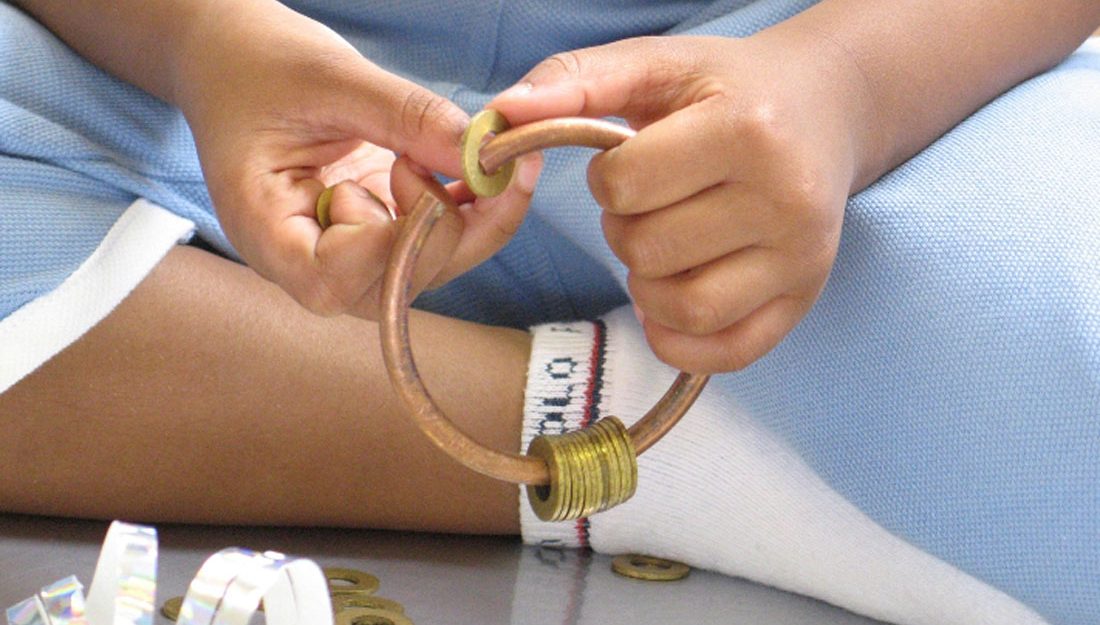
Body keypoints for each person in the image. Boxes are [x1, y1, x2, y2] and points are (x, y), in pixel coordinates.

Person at [0, 1, 1097, 623]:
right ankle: (698, 455)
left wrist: (844, 86)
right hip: (182, 91)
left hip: (803, 80)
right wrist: (198, 38)